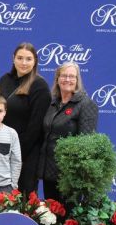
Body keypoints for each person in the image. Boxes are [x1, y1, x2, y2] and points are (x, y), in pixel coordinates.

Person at [38, 61, 98, 204]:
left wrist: (77, 173)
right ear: (57, 79)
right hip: (49, 171)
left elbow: (86, 142)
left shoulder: (85, 104)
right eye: (63, 76)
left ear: (77, 81)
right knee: (51, 215)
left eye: (72, 76)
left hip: (69, 174)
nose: (67, 79)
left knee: (68, 219)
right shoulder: (52, 103)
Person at [0, 42, 51, 195]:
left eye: (28, 59)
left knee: (23, 199)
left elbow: (35, 128)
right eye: (20, 58)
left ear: (35, 61)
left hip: (26, 155)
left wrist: (16, 154)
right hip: (2, 150)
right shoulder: (4, 80)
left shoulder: (39, 86)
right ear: (13, 58)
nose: (23, 62)